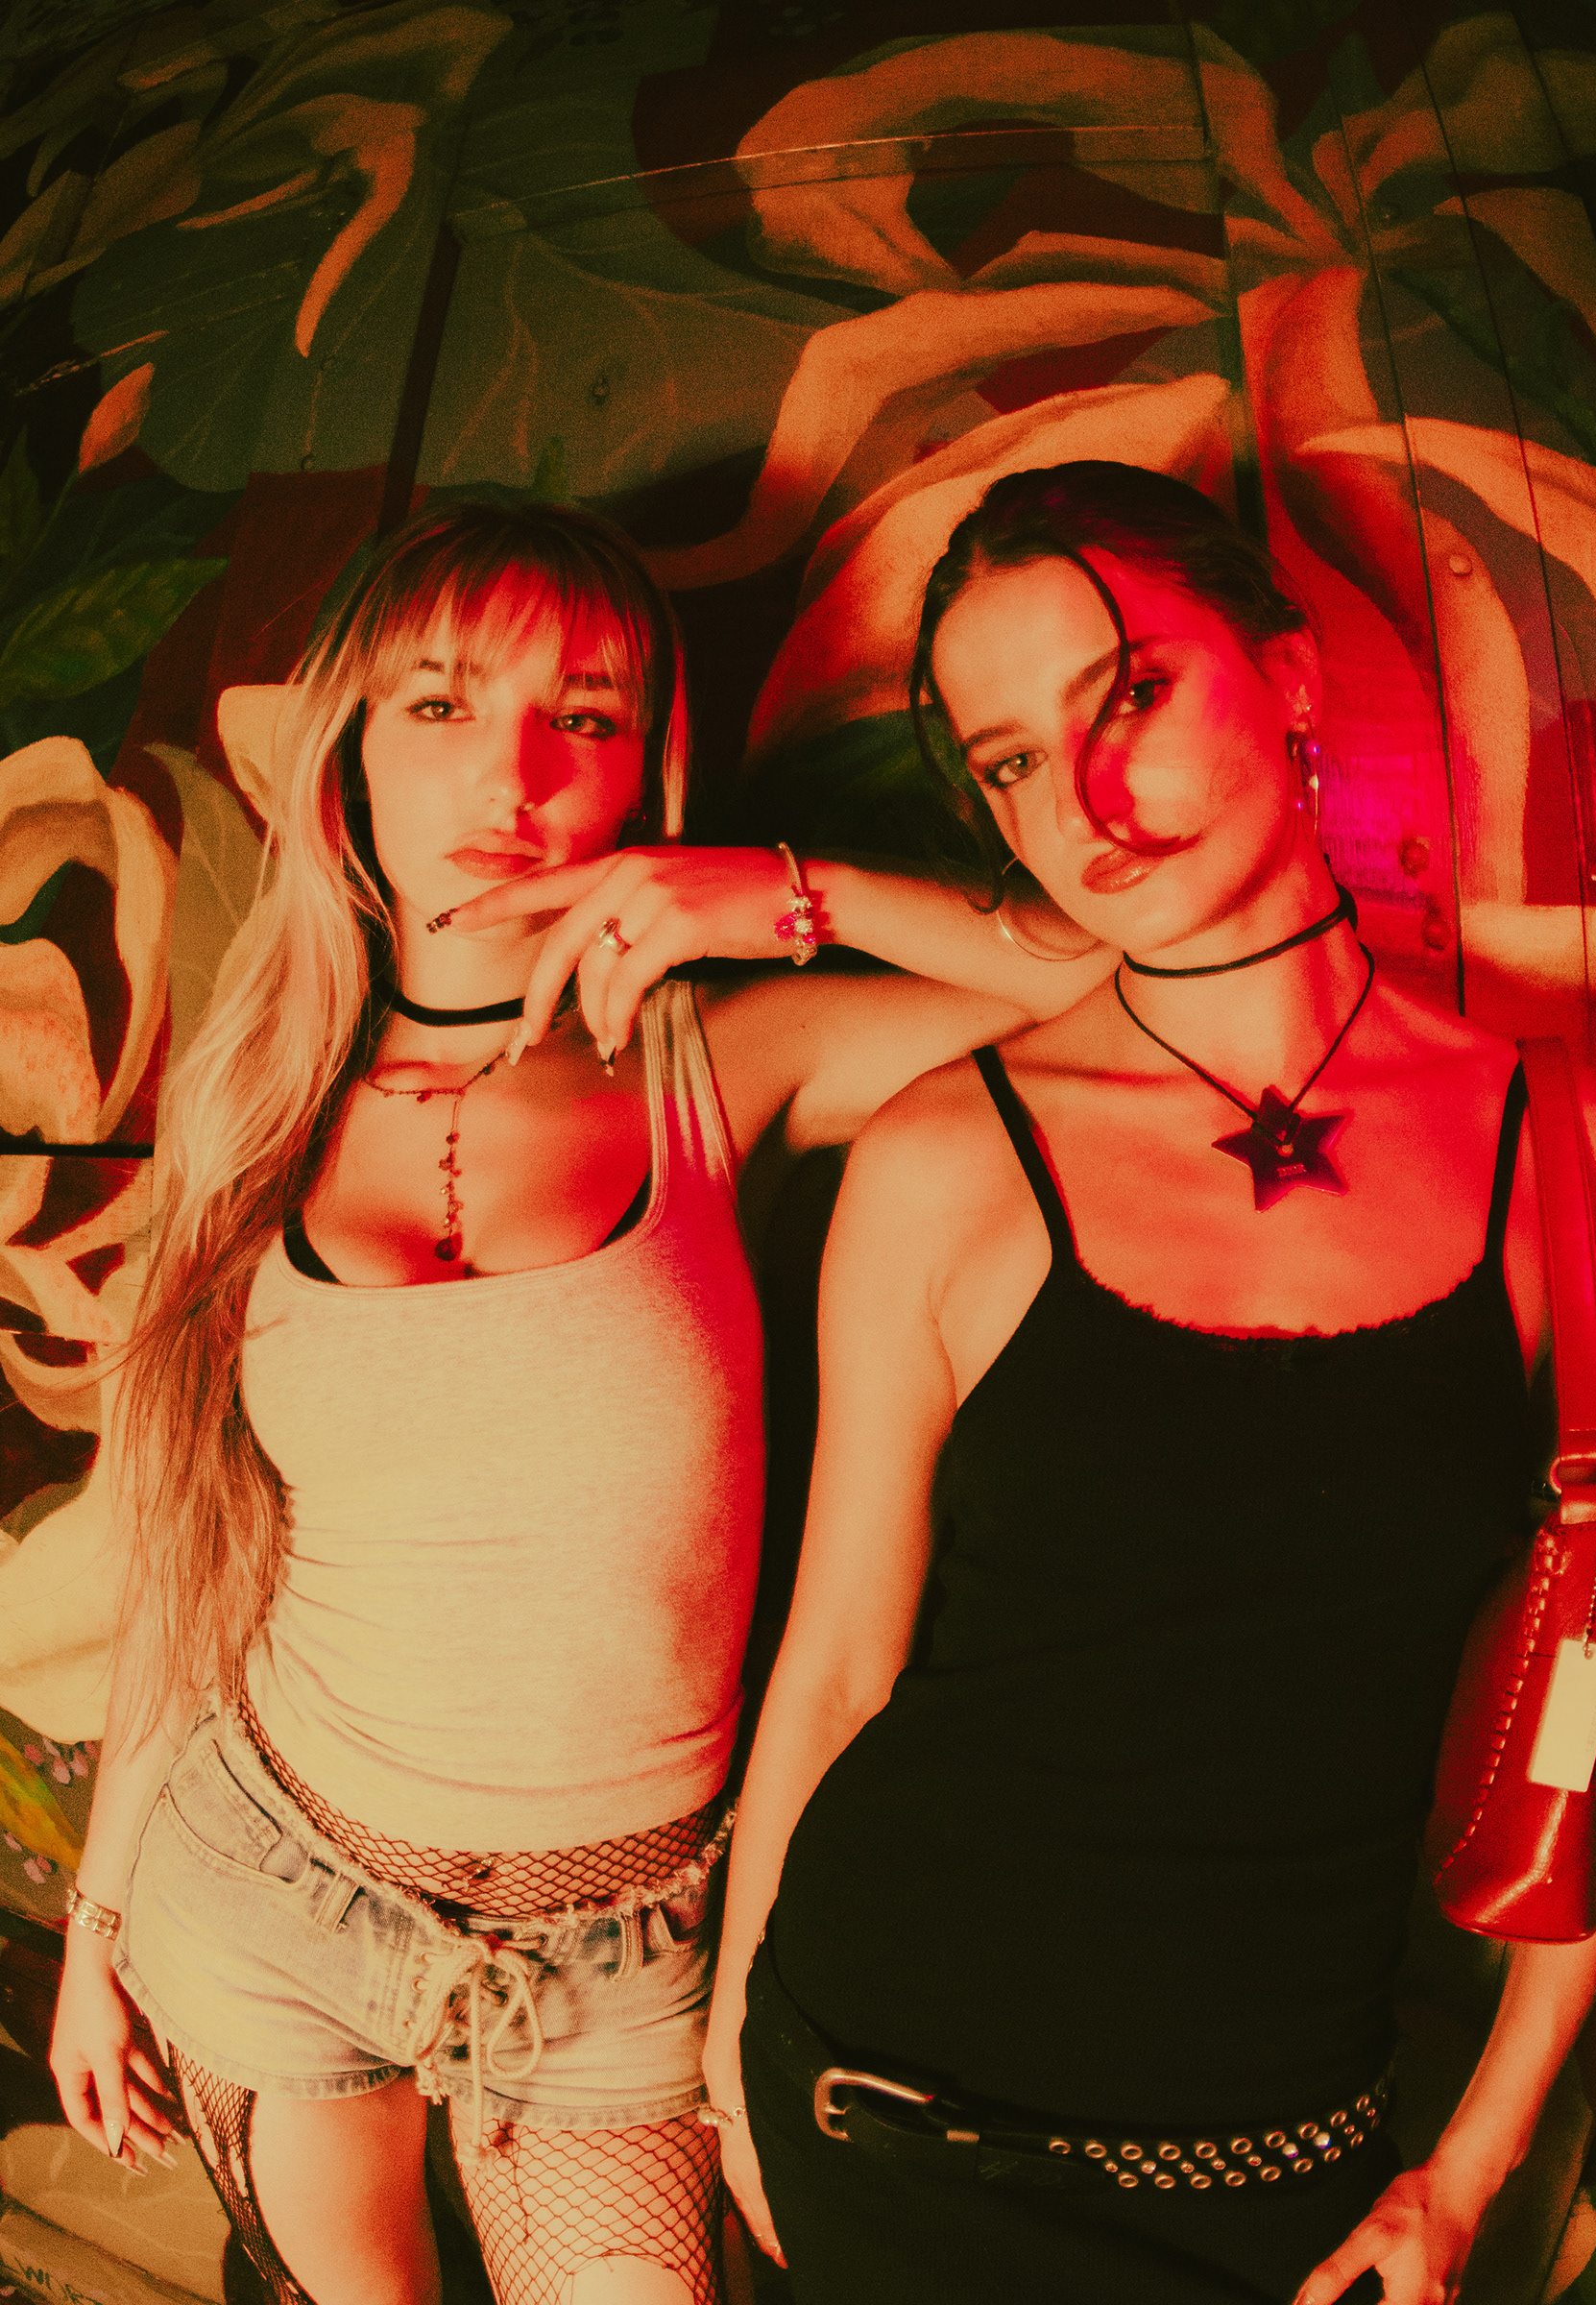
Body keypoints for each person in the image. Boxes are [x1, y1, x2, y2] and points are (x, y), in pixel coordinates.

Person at [47, 497, 1117, 2305]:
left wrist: (769, 893)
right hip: (273, 1887)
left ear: (644, 770)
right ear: (349, 763)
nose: (517, 773)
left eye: (587, 716)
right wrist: (99, 1918)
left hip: (612, 1969)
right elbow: (191, 1560)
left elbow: (1128, 977)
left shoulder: (725, 1061)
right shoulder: (254, 1111)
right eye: (443, 705)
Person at [702, 462, 1596, 2305]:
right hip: (876, 2108)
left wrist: (1468, 2174)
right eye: (1009, 761)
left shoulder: (1561, 1151)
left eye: (1130, 693)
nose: (1081, 799)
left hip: (1276, 2178)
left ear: (1292, 677)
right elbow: (834, 1664)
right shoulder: (945, 1156)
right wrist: (733, 2062)